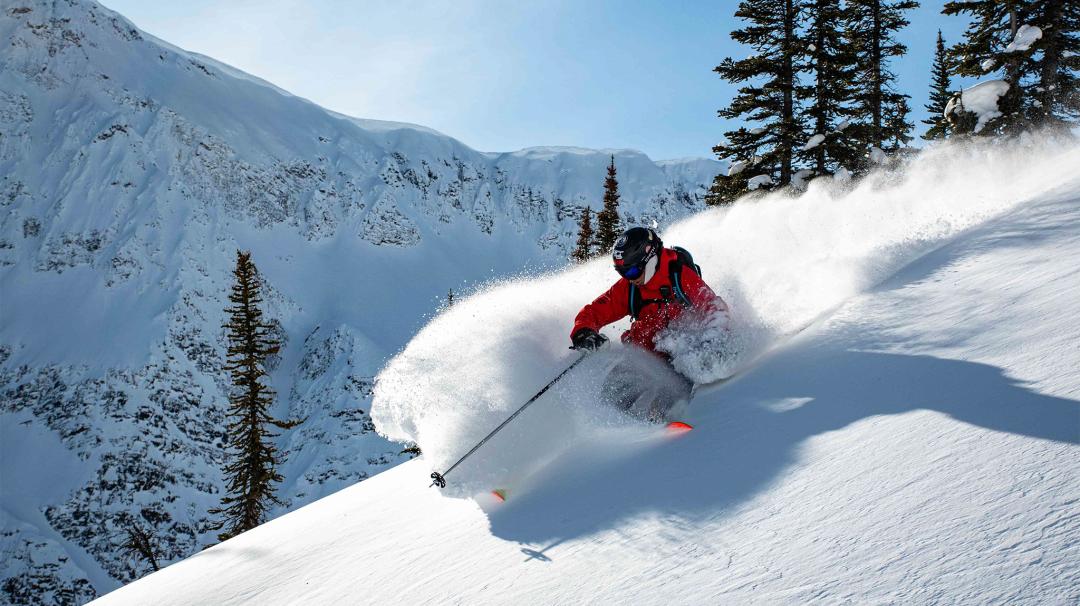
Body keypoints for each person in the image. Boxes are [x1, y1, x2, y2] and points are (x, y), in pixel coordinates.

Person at [570, 227, 729, 417]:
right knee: (610, 395)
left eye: (634, 271)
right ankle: (613, 435)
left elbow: (714, 307)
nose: (630, 278)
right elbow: (595, 311)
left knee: (666, 403)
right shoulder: (629, 288)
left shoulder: (680, 276)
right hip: (644, 358)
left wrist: (712, 342)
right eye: (623, 272)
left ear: (651, 258)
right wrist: (583, 332)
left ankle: (676, 430)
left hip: (680, 358)